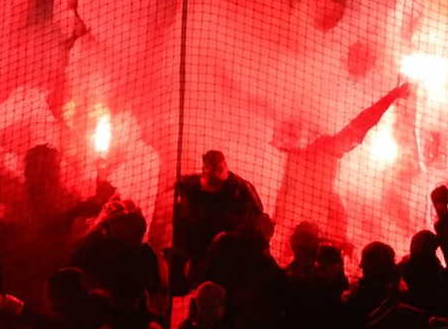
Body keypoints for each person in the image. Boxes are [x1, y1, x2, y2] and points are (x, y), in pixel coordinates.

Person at [270, 83, 410, 261]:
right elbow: (361, 125)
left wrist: (392, 96)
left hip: (309, 239)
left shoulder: (321, 152)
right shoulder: (298, 157)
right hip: (304, 238)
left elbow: (361, 125)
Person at [170, 151, 263, 294]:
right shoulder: (193, 188)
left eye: (219, 169)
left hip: (228, 255)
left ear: (224, 167)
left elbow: (256, 217)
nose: (216, 174)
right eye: (210, 170)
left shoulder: (238, 189)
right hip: (200, 251)